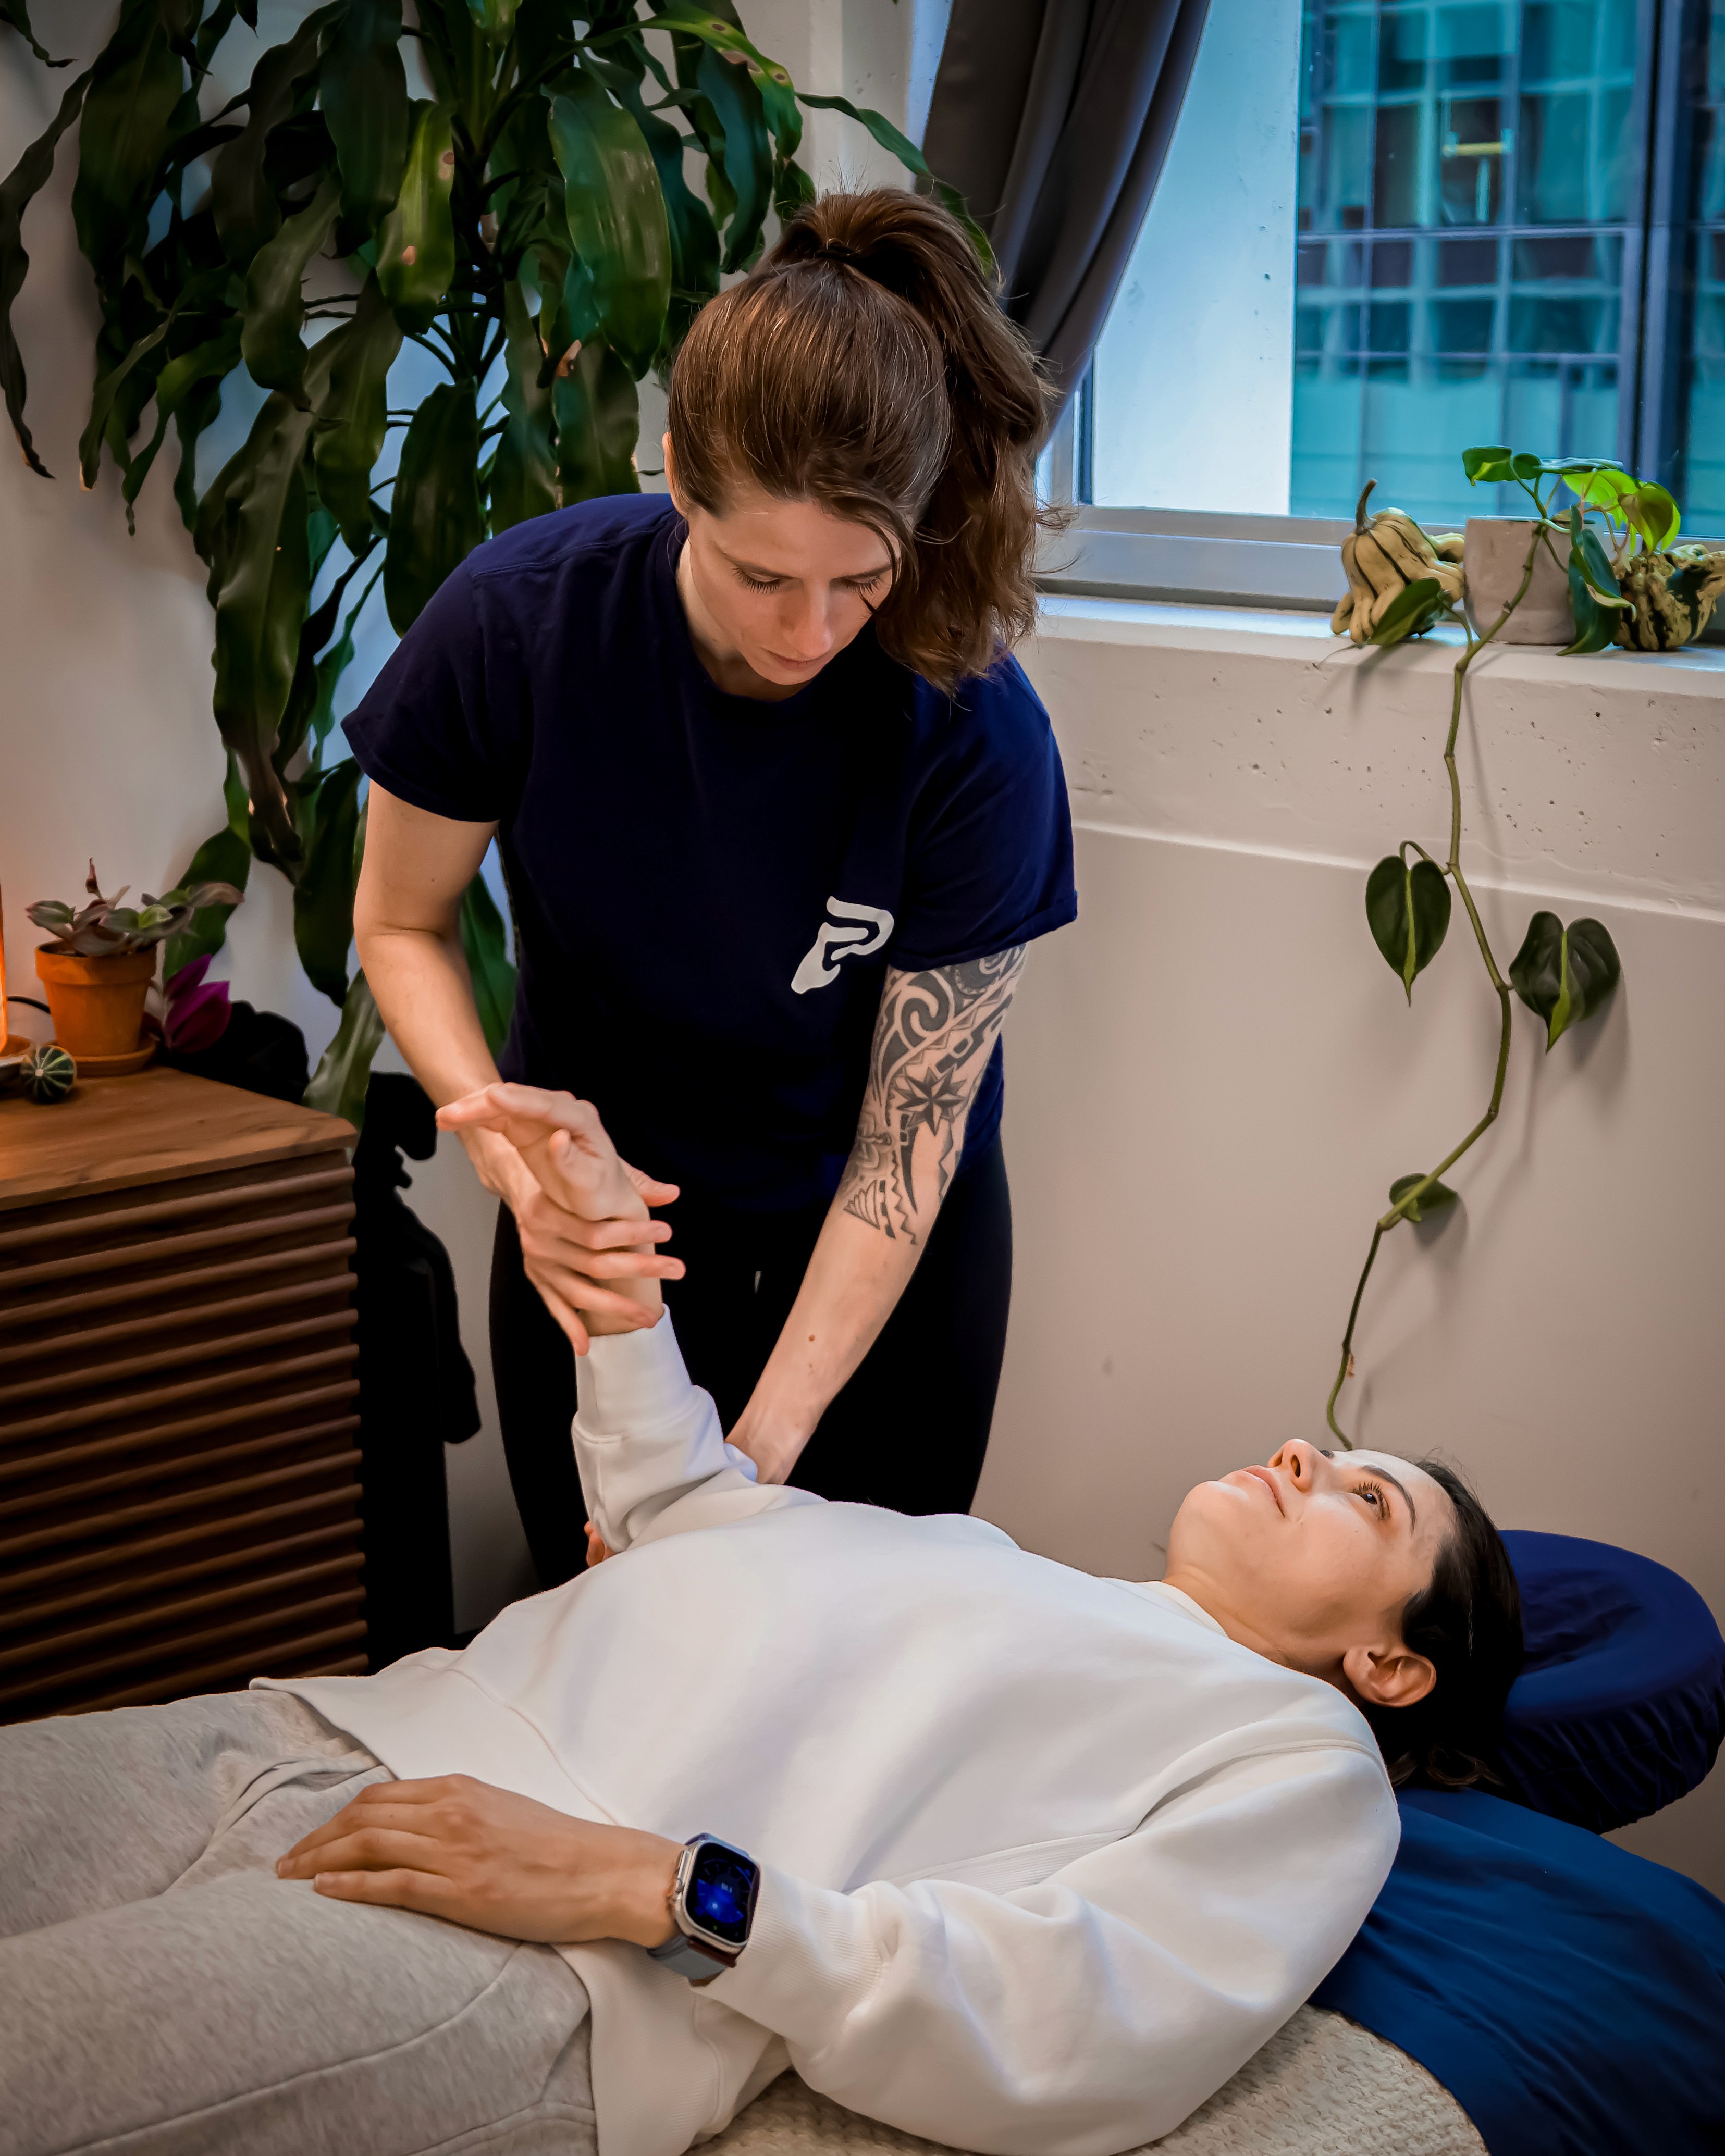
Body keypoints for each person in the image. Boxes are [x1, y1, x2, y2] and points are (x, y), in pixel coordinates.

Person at [0, 1087, 1524, 2156]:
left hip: (536, 1951)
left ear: (1391, 1661)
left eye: (1370, 1503)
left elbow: (1079, 2031)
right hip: (315, 1724)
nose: (1304, 1456)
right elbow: (683, 1513)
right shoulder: (987, 1560)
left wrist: (660, 1885)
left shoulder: (1303, 1759)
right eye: (1331, 1451)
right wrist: (615, 1275)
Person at [347, 187, 1075, 1587]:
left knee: (864, 1661)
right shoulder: (519, 626)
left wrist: (754, 1448)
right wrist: (513, 1165)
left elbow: (908, 1146)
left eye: (861, 578)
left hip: (871, 1228)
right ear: (677, 473)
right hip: (610, 1216)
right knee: (607, 1636)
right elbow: (400, 921)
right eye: (762, 576)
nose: (810, 631)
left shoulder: (974, 726)